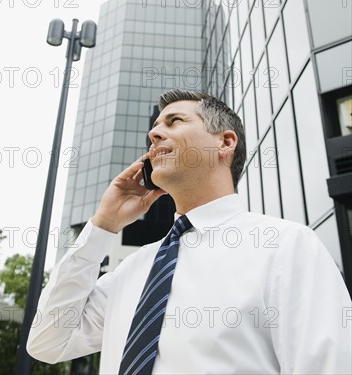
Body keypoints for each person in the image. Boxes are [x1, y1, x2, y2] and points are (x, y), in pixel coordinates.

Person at [27, 89, 351, 374]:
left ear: (225, 143)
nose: (154, 134)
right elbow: (48, 343)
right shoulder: (132, 269)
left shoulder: (285, 247)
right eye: (154, 129)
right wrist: (102, 227)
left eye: (174, 122)